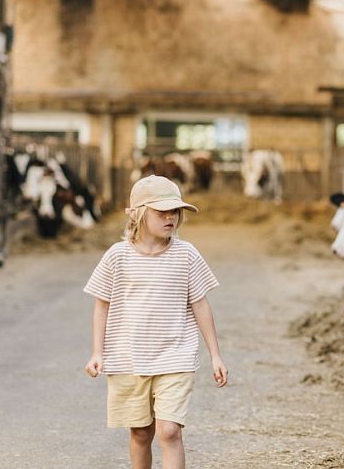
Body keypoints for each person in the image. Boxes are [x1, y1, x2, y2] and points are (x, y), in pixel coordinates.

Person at [83, 174, 228, 469]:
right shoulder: (117, 256)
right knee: (140, 432)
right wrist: (97, 352)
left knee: (169, 431)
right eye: (162, 211)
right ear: (139, 214)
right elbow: (102, 305)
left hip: (175, 356)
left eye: (175, 211)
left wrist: (215, 355)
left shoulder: (186, 255)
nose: (171, 217)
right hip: (127, 358)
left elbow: (200, 304)